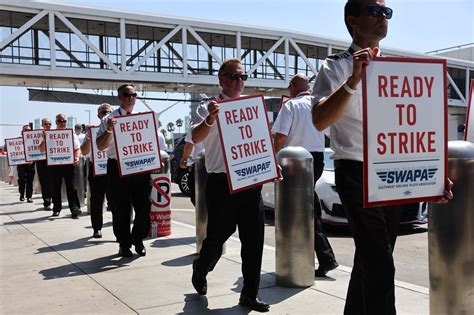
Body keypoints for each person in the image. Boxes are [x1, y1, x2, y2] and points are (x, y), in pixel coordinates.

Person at [311, 1, 453, 314]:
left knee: (370, 258)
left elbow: (413, 128)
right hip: (356, 172)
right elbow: (320, 120)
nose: (382, 18)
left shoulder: (397, 72)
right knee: (380, 265)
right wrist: (353, 82)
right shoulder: (334, 67)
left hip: (393, 172)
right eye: (374, 11)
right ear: (352, 20)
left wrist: (433, 174)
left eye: (386, 13)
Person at [191, 58, 280, 312]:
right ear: (221, 79)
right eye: (233, 76)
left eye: (243, 77)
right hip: (221, 183)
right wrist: (209, 118)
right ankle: (201, 267)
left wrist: (272, 165)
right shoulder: (207, 107)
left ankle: (249, 294)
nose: (239, 81)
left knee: (254, 241)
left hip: (250, 182)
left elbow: (260, 142)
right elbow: (196, 137)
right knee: (216, 237)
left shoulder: (252, 107)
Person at [272, 73, 339, 277]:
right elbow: (330, 133)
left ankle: (325, 257)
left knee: (303, 208)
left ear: (293, 87)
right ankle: (321, 256)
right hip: (316, 159)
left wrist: (272, 158)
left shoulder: (291, 105)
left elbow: (281, 136)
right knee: (309, 204)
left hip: (294, 160)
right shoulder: (318, 104)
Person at [96, 84, 152, 258]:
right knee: (121, 209)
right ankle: (124, 244)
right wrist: (110, 130)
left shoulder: (142, 118)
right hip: (117, 166)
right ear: (119, 97)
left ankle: (138, 239)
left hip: (140, 167)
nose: (131, 98)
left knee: (144, 207)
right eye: (127, 95)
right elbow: (100, 145)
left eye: (134, 95)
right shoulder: (109, 119)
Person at [39, 114, 82, 218]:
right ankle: (56, 209)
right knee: (55, 187)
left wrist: (77, 157)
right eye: (60, 121)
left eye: (64, 121)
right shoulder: (50, 134)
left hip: (68, 164)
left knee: (71, 187)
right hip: (55, 165)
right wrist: (44, 139)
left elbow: (77, 148)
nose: (62, 123)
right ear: (56, 122)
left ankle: (75, 208)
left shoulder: (71, 133)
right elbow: (41, 149)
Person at [81, 103, 113, 238]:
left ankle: (120, 232)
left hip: (113, 169)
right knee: (96, 201)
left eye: (109, 112)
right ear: (98, 115)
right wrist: (88, 137)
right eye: (104, 112)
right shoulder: (93, 131)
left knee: (117, 201)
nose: (106, 114)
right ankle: (97, 228)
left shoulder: (117, 127)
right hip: (97, 171)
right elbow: (84, 151)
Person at [180, 133, 204, 206]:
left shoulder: (197, 121)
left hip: (200, 165)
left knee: (197, 196)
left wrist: (184, 160)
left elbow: (189, 144)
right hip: (221, 165)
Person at [36, 118, 53, 210]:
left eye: (50, 124)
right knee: (44, 182)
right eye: (46, 124)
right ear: (42, 125)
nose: (48, 125)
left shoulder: (54, 134)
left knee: (53, 182)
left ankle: (54, 200)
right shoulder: (37, 135)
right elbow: (41, 149)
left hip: (53, 160)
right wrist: (44, 139)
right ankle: (47, 202)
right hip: (41, 161)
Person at [17, 124, 35, 203]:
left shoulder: (34, 140)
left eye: (29, 130)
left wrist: (32, 159)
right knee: (21, 180)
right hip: (21, 164)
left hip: (31, 163)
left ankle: (29, 197)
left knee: (30, 180)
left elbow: (36, 152)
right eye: (26, 130)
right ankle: (21, 194)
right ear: (22, 131)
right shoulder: (18, 141)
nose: (27, 131)